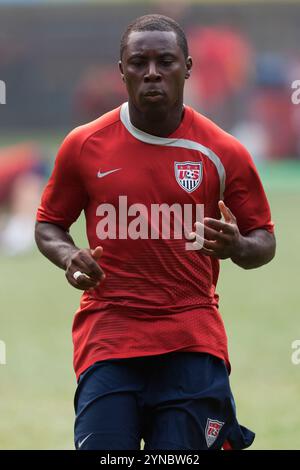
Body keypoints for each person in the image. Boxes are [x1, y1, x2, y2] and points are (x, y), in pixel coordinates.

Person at [35, 14, 276, 451]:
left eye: (164, 61)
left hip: (191, 333)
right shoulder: (84, 144)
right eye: (138, 62)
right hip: (109, 333)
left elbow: (265, 240)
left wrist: (237, 244)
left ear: (187, 67)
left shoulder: (223, 151)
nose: (151, 72)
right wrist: (69, 257)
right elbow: (48, 223)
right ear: (121, 70)